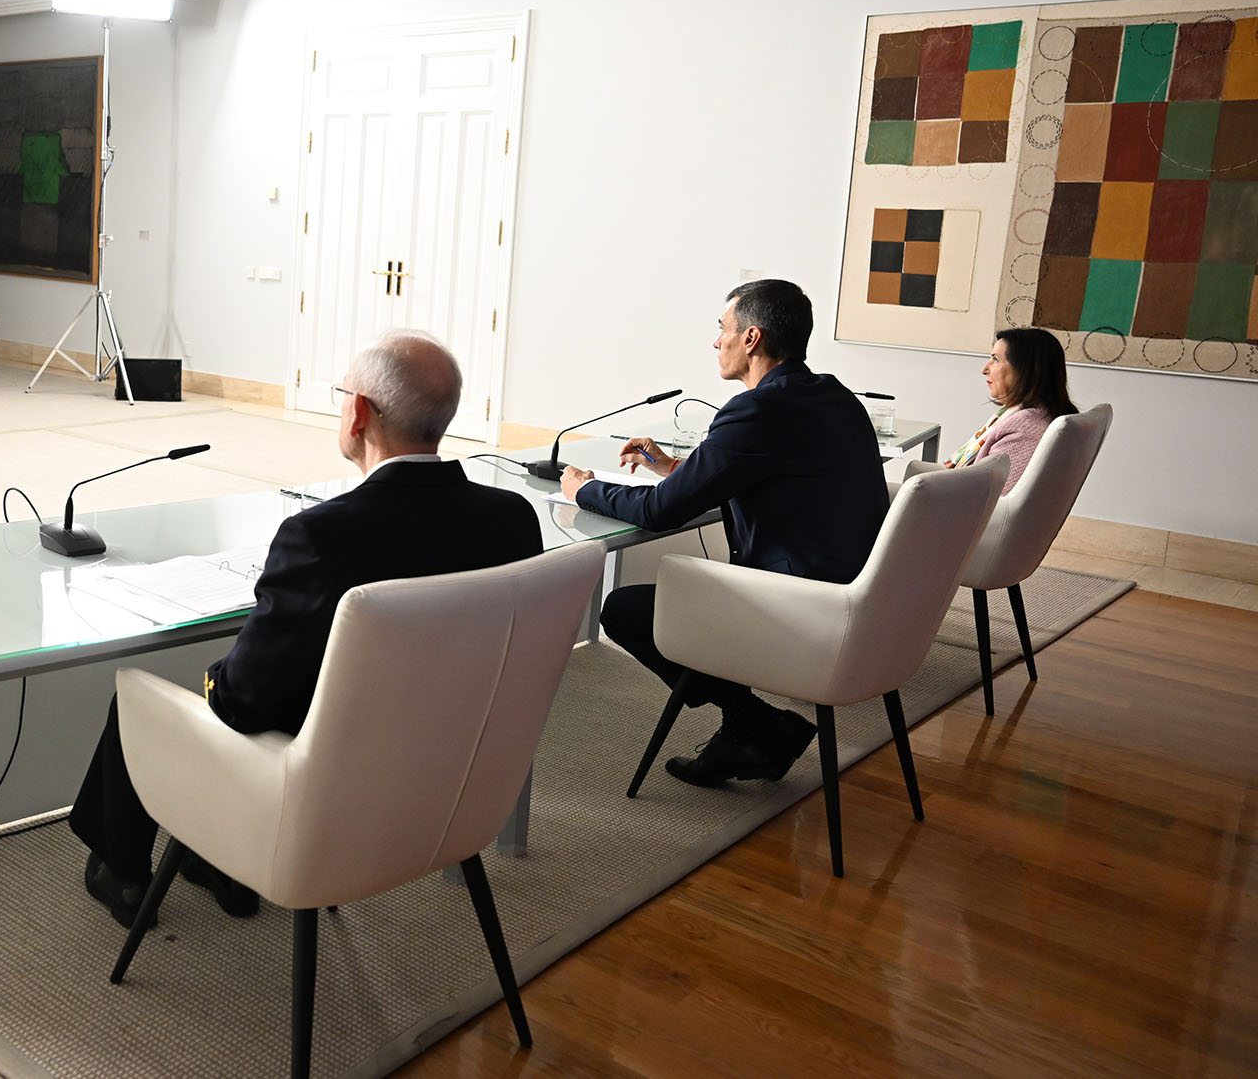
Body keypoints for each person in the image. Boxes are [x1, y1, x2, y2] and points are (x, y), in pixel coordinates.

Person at [69, 331, 544, 927]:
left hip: (322, 791)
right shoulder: (511, 519)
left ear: (359, 412)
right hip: (449, 775)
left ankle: (125, 874)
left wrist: (217, 677)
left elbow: (244, 702)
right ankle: (216, 859)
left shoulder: (323, 536)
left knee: (141, 702)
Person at [559, 279, 888, 788]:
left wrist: (584, 490)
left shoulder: (758, 409)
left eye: (723, 328)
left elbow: (659, 512)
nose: (716, 341)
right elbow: (771, 473)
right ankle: (751, 727)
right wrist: (673, 468)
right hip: (857, 599)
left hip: (801, 609)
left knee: (623, 609)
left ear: (751, 338)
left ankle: (750, 722)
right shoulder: (834, 396)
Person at [942, 327, 1078, 493]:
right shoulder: (1037, 414)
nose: (984, 369)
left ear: (1026, 370)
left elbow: (992, 497)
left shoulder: (1024, 428)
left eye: (995, 359)